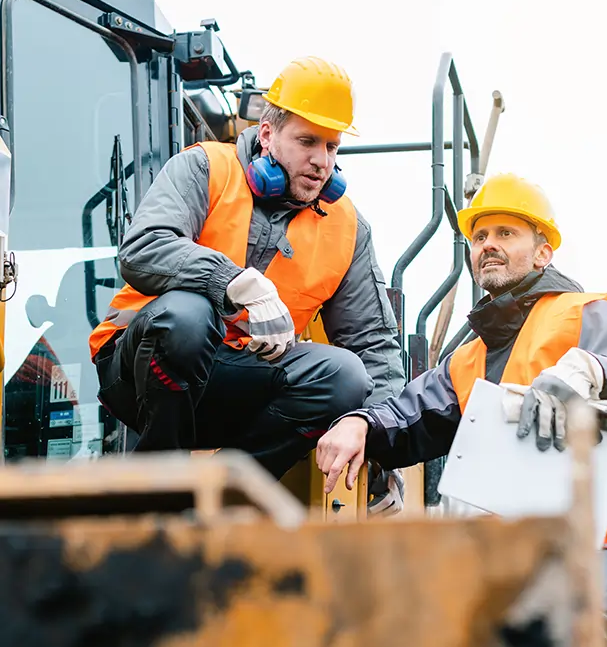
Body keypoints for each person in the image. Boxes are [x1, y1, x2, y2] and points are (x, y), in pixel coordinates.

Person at [315, 172, 607, 644]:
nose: (488, 245)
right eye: (480, 236)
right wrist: (361, 422)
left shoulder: (584, 314)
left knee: (546, 615)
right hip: (560, 556)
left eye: (506, 233)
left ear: (543, 252)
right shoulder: (468, 360)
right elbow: (407, 417)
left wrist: (594, 371)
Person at [88, 56, 405, 514]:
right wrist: (233, 282)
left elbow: (372, 342)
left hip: (239, 385)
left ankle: (224, 502)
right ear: (268, 134)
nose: (321, 161)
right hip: (142, 372)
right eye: (307, 141)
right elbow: (143, 247)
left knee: (345, 376)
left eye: (332, 146)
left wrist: (378, 437)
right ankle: (159, 492)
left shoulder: (348, 227)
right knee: (187, 318)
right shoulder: (205, 168)